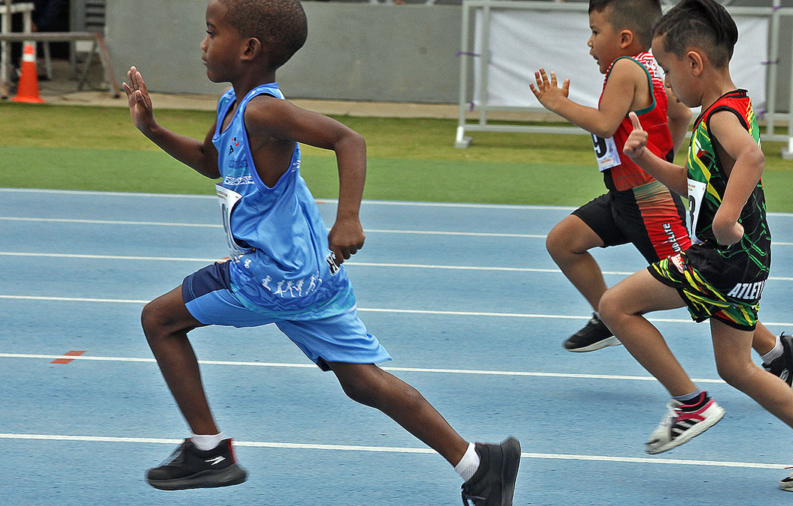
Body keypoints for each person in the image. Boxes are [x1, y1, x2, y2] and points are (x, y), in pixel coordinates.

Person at [122, 1, 520, 504]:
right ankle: (479, 466)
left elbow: (347, 139)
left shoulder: (265, 110)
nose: (202, 44)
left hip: (270, 276)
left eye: (210, 33)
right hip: (308, 274)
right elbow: (211, 162)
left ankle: (209, 450)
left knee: (159, 320)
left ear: (248, 49)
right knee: (363, 382)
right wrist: (153, 130)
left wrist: (349, 216)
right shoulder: (232, 106)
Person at [597, 0, 793, 492]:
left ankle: (688, 404)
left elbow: (752, 159)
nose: (668, 85)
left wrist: (723, 220)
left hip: (722, 256)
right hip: (746, 258)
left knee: (615, 306)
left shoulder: (719, 118)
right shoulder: (730, 107)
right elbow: (693, 182)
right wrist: (647, 159)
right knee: (736, 366)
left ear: (695, 62)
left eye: (669, 72)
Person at [529, 0, 793, 392]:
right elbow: (678, 114)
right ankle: (607, 314)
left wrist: (559, 104)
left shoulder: (627, 67)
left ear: (624, 37)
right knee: (564, 241)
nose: (589, 43)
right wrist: (662, 155)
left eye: (595, 32)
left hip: (649, 201)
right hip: (624, 196)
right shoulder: (656, 69)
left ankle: (774, 349)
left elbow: (607, 124)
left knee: (702, 283)